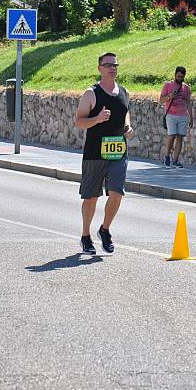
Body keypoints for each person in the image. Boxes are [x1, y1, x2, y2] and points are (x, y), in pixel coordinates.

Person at [75, 52, 134, 255]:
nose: (112, 67)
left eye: (115, 64)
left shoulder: (124, 91)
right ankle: (85, 235)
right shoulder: (91, 93)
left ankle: (105, 229)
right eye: (108, 64)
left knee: (117, 194)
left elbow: (125, 113)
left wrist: (127, 128)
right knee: (91, 197)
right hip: (94, 152)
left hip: (118, 151)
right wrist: (97, 119)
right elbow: (79, 122)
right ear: (99, 68)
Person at [159, 66, 193, 168]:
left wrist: (191, 117)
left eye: (182, 77)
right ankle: (167, 157)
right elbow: (161, 100)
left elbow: (188, 103)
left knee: (180, 137)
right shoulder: (168, 85)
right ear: (175, 75)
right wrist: (170, 96)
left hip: (183, 115)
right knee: (171, 135)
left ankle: (175, 160)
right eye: (178, 76)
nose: (180, 78)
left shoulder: (186, 88)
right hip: (171, 114)